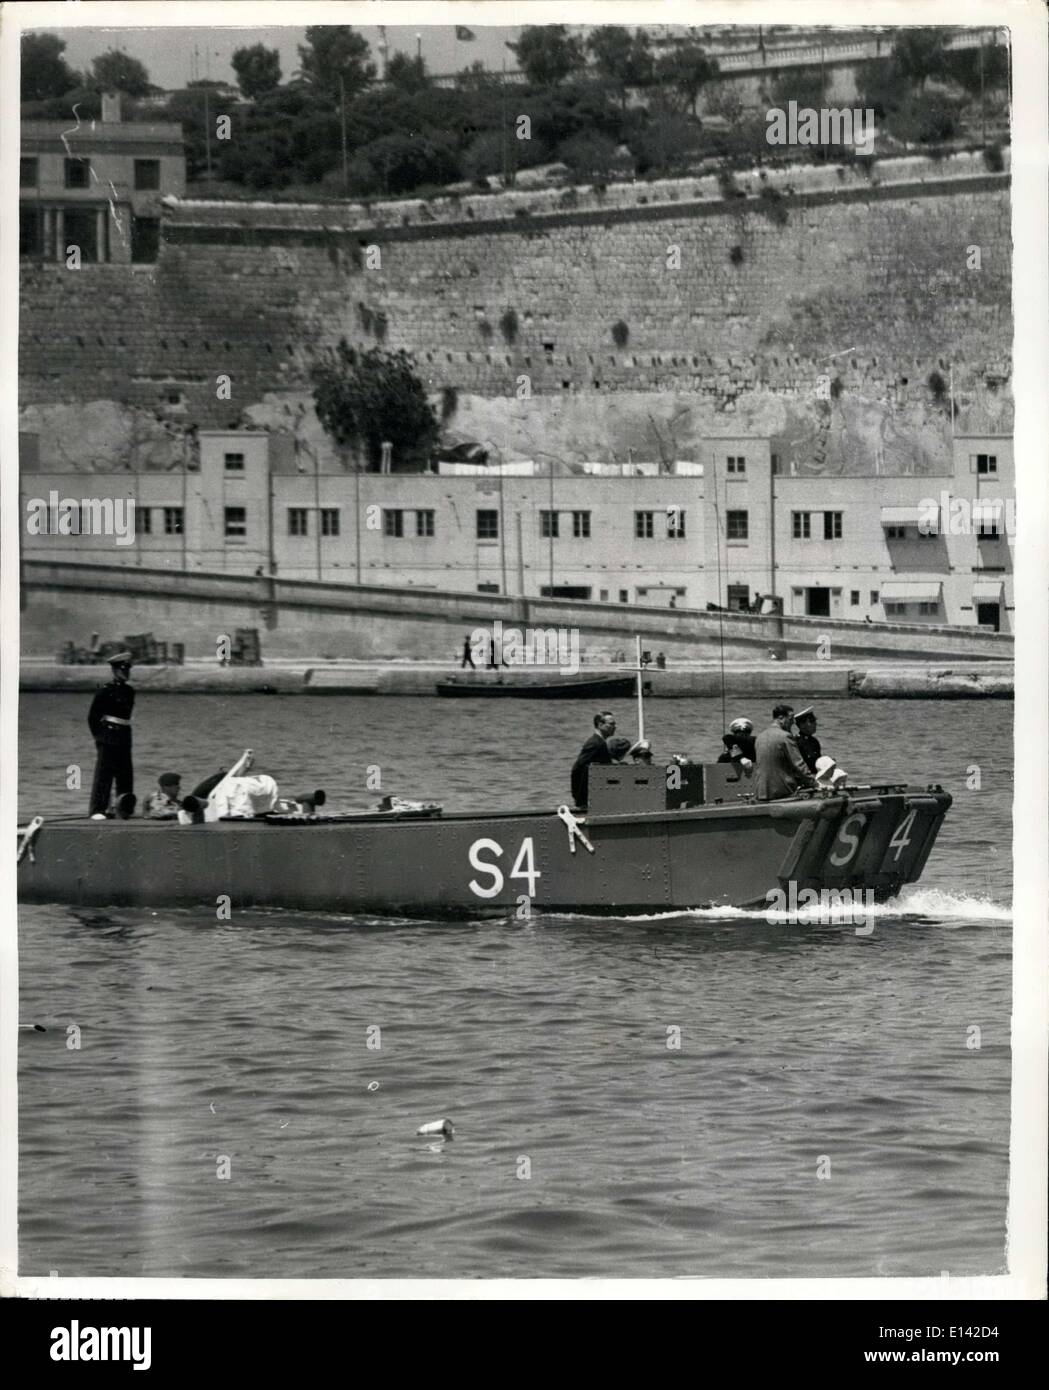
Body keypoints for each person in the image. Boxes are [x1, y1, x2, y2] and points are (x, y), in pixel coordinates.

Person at [87, 652, 136, 819]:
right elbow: (93, 718)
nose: (126, 673)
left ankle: (124, 808)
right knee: (104, 775)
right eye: (123, 670)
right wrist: (100, 738)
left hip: (124, 736)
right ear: (115, 670)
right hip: (108, 736)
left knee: (125, 774)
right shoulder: (105, 691)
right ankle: (98, 810)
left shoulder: (130, 691)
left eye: (127, 670)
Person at [754, 703, 817, 801]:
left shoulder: (760, 737)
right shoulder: (785, 736)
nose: (793, 722)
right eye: (791, 718)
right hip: (781, 791)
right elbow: (799, 764)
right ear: (781, 718)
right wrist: (814, 783)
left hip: (761, 791)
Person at [571, 711, 616, 808]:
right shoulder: (595, 743)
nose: (615, 727)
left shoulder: (600, 743)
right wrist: (580, 799)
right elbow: (577, 768)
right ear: (600, 725)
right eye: (611, 724)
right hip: (589, 800)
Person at [794, 707, 822, 774]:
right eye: (812, 721)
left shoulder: (814, 741)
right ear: (802, 725)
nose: (815, 724)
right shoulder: (796, 742)